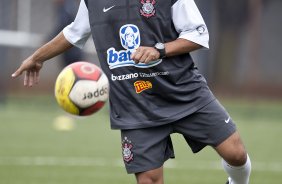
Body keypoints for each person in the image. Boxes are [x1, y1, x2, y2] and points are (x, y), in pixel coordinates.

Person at [11, 0, 251, 183]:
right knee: (150, 179)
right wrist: (36, 57)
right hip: (135, 104)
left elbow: (198, 35)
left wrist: (159, 50)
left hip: (183, 90)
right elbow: (74, 32)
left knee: (236, 153)